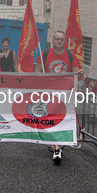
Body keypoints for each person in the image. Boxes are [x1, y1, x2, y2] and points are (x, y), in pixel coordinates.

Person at [34, 30, 81, 165]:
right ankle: (56, 146)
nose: (59, 41)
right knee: (51, 118)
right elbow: (37, 70)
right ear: (53, 40)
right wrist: (42, 78)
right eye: (57, 39)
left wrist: (78, 75)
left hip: (65, 93)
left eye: (61, 39)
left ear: (64, 41)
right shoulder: (46, 53)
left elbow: (75, 71)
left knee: (61, 118)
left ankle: (56, 146)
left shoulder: (70, 54)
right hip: (49, 93)